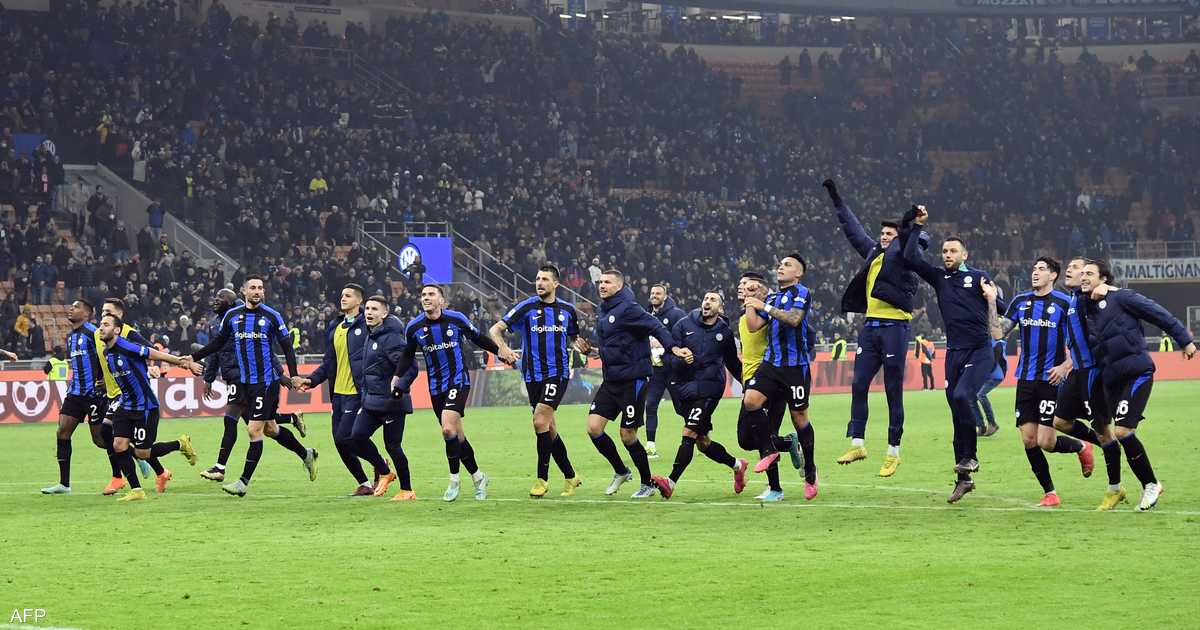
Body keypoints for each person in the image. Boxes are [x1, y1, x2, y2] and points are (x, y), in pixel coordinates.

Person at [824, 179, 926, 478]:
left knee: (893, 389)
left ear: (900, 238)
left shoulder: (907, 258)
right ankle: (857, 443)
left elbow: (908, 240)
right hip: (870, 328)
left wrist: (910, 221)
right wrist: (837, 200)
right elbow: (853, 230)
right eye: (882, 233)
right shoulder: (874, 254)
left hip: (895, 328)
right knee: (858, 384)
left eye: (889, 234)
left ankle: (893, 451)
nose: (883, 236)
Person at [1078, 259, 1196, 511]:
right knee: (1119, 433)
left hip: (1136, 371)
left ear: (1104, 278)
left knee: (1122, 431)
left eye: (1089, 273)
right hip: (1111, 379)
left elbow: (1158, 314)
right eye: (1082, 273)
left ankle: (1151, 484)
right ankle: (1146, 485)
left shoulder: (1123, 297)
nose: (1084, 277)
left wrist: (1184, 340)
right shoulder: (1084, 306)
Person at [188, 275, 318, 497]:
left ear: (263, 292)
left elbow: (286, 347)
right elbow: (217, 344)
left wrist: (293, 375)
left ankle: (242, 482)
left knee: (253, 429)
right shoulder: (232, 317)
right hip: (244, 382)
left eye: (260, 288)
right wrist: (192, 357)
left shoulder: (272, 316)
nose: (257, 291)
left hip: (265, 383)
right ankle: (306, 454)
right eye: (253, 288)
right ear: (244, 292)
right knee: (270, 429)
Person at [903, 206, 996, 503]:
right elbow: (910, 258)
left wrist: (992, 300)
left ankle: (972, 456)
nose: (947, 255)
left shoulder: (980, 277)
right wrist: (917, 227)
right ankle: (964, 479)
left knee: (962, 395)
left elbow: (1003, 311)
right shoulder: (940, 277)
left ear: (964, 255)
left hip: (980, 350)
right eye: (944, 251)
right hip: (954, 353)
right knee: (957, 414)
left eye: (953, 251)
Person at [574, 269, 690, 499]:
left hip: (633, 379)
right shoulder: (604, 310)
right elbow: (615, 346)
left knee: (627, 434)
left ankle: (647, 483)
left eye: (607, 282)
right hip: (611, 380)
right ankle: (621, 471)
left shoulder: (629, 308)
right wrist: (593, 351)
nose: (602, 285)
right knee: (594, 428)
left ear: (619, 286)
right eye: (600, 282)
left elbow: (656, 326)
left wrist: (673, 348)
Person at [989, 257, 1092, 507]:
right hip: (1025, 379)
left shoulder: (1065, 303)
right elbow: (998, 332)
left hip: (1051, 380)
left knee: (1046, 442)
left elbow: (1080, 342)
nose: (1035, 272)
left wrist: (1065, 366)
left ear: (1053, 275)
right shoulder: (1020, 301)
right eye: (1034, 268)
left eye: (1041, 269)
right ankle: (1050, 493)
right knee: (1028, 440)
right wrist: (991, 302)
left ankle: (1081, 446)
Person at [391, 284, 503, 502]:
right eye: (423, 294)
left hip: (458, 381)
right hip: (435, 388)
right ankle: (479, 478)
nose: (426, 297)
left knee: (447, 429)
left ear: (441, 300)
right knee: (457, 436)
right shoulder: (414, 327)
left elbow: (478, 338)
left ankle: (454, 480)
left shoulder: (456, 319)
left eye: (431, 294)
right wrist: (397, 377)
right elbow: (407, 355)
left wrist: (501, 351)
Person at [490, 265, 583, 498]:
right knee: (549, 428)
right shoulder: (527, 307)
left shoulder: (568, 310)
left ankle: (542, 479)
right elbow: (495, 330)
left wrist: (584, 347)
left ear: (555, 284)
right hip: (532, 376)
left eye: (545, 279)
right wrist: (503, 348)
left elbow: (574, 339)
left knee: (540, 421)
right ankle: (571, 476)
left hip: (557, 374)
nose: (539, 283)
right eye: (538, 279)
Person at [650, 290, 748, 499]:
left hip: (710, 389)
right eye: (705, 299)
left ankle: (670, 482)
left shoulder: (724, 332)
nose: (707, 302)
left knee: (689, 433)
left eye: (713, 300)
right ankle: (738, 465)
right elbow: (670, 356)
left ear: (720, 308)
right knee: (703, 442)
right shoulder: (683, 325)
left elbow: (732, 363)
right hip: (684, 389)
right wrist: (680, 358)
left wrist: (748, 385)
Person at [96, 313, 200, 502]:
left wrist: (182, 362)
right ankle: (136, 490)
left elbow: (154, 354)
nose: (101, 328)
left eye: (106, 324)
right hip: (125, 405)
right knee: (118, 445)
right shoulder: (106, 353)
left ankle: (180, 444)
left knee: (142, 453)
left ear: (117, 330)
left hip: (145, 407)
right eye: (100, 324)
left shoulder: (127, 346)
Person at [741, 254, 818, 500]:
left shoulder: (801, 292)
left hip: (795, 367)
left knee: (799, 418)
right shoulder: (772, 297)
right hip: (771, 364)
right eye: (780, 264)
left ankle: (810, 472)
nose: (781, 267)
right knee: (750, 401)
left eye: (787, 265)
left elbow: (794, 319)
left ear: (799, 273)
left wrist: (763, 305)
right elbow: (753, 326)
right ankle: (768, 451)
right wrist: (750, 302)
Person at [1051, 257, 1125, 510]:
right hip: (1077, 372)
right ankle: (1103, 445)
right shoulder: (1072, 299)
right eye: (1071, 268)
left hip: (1095, 372)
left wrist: (1107, 289)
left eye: (1078, 269)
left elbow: (1113, 302)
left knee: (1105, 431)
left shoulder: (1090, 298)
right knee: (1060, 422)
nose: (1071, 271)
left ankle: (1115, 488)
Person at [298, 284, 386, 496]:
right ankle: (365, 483)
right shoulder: (335, 326)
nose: (343, 298)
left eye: (348, 296)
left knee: (348, 437)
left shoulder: (367, 324)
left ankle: (382, 467)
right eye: (342, 295)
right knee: (339, 442)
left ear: (359, 300)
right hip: (337, 394)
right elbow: (329, 362)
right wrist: (312, 380)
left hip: (357, 392)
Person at [40, 301, 113, 495]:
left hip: (93, 394)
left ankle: (133, 454)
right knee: (62, 432)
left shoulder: (94, 333)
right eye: (71, 307)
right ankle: (64, 484)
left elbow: (107, 356)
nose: (71, 309)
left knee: (99, 440)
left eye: (76, 307)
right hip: (75, 393)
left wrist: (107, 380)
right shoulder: (71, 336)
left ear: (87, 313)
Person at [348, 296, 415, 501]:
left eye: (374, 309)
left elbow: (410, 367)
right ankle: (384, 471)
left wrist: (399, 387)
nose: (369, 312)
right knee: (356, 438)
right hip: (372, 401)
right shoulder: (371, 335)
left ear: (384, 314)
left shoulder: (392, 338)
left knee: (392, 446)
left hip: (393, 402)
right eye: (367, 308)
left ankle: (407, 490)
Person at [734, 272, 791, 502]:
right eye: (741, 285)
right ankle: (789, 443)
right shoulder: (744, 316)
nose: (742, 288)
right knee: (746, 439)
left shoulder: (766, 314)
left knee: (762, 435)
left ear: (762, 292)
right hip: (751, 380)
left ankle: (775, 489)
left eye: (749, 286)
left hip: (768, 379)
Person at [644, 282, 686, 459]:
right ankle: (650, 445)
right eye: (652, 293)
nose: (654, 296)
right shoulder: (646, 315)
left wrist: (663, 345)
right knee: (650, 405)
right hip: (656, 371)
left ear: (665, 296)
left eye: (658, 293)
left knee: (681, 408)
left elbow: (684, 337)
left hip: (674, 369)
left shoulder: (676, 314)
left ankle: (700, 432)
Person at [972, 338, 1006, 437]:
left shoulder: (996, 344)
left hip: (995, 376)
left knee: (980, 395)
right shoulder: (987, 344)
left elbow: (993, 361)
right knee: (972, 398)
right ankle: (981, 426)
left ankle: (992, 423)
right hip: (988, 376)